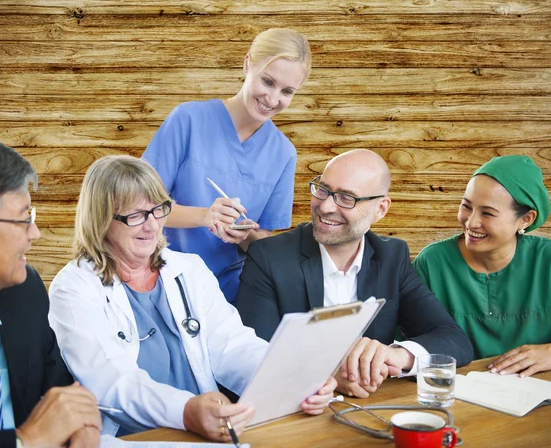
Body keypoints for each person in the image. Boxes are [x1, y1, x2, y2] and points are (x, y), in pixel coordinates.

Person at [48, 155, 335, 441]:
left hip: (206, 428)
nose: (151, 226)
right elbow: (110, 382)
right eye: (134, 215)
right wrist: (185, 411)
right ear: (100, 218)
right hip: (129, 438)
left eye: (158, 210)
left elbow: (232, 345)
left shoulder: (189, 269)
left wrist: (290, 377)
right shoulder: (73, 287)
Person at [236, 149, 473, 399]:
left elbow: (455, 341)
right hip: (291, 413)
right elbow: (254, 356)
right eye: (323, 189)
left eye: (346, 198)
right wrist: (327, 376)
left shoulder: (391, 256)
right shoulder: (268, 257)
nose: (325, 206)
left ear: (381, 209)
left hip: (367, 408)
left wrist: (395, 354)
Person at [0, 132, 101, 448]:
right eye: (24, 218)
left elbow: (58, 389)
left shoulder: (25, 290)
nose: (35, 234)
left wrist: (81, 425)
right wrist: (27, 441)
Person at [141, 28, 311, 302]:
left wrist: (243, 235)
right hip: (162, 281)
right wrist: (205, 216)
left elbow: (262, 238)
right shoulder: (188, 120)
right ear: (247, 64)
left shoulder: (283, 153)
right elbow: (139, 207)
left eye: (287, 91)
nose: (273, 99)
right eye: (267, 81)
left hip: (229, 295)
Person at [414, 155, 551, 377]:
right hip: (457, 397)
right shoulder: (432, 263)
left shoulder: (547, 260)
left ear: (525, 220)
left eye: (487, 213)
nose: (471, 222)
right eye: (466, 206)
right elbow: (411, 346)